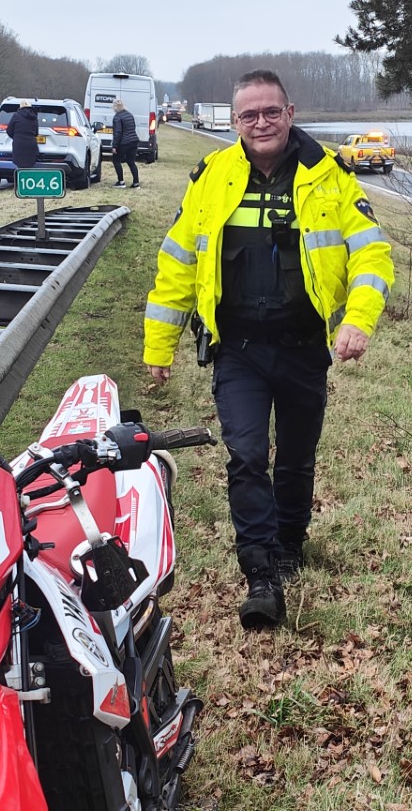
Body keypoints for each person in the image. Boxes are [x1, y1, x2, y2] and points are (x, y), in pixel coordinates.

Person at [143, 70, 394, 630]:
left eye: (270, 112)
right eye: (249, 115)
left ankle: (290, 543)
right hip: (240, 351)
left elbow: (373, 254)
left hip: (305, 348)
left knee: (297, 458)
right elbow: (179, 262)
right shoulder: (212, 176)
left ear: (290, 112)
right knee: (248, 455)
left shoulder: (328, 175)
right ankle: (260, 574)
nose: (261, 123)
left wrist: (358, 319)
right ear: (235, 123)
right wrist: (159, 343)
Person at [110, 98, 140, 188]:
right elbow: (133, 128)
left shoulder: (117, 117)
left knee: (116, 160)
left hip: (124, 142)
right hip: (134, 141)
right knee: (131, 162)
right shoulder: (129, 115)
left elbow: (118, 132)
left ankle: (121, 182)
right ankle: (136, 183)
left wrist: (114, 146)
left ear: (115, 107)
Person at [7, 98, 39, 178]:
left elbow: (9, 130)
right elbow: (36, 132)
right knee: (30, 164)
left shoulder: (16, 116)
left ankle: (21, 183)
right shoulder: (34, 117)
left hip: (19, 143)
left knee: (20, 164)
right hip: (31, 143)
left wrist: (16, 137)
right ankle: (28, 182)